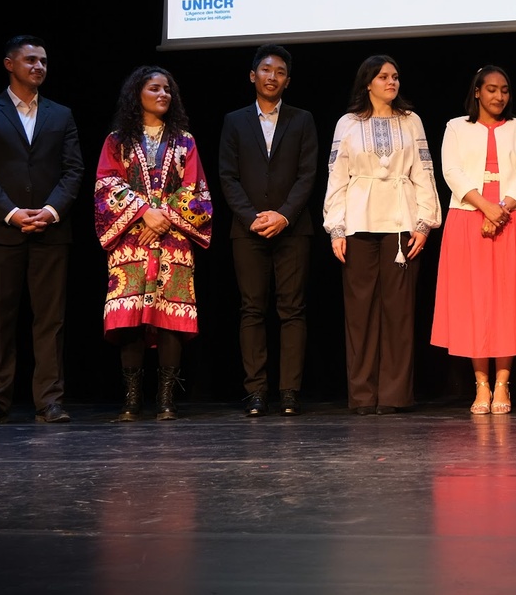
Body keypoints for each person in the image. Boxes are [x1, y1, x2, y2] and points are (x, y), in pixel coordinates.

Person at [0, 35, 85, 426]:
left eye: (44, 61)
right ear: (9, 64)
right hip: (2, 232)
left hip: (51, 232)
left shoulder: (61, 114)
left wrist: (50, 211)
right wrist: (12, 213)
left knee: (50, 320)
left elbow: (73, 170)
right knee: (0, 319)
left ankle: (49, 400)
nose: (39, 67)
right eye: (31, 60)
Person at [323, 56, 442, 414]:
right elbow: (336, 175)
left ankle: (393, 396)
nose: (392, 82)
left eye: (395, 77)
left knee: (399, 313)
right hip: (358, 222)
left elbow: (424, 170)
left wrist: (424, 222)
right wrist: (336, 227)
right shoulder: (348, 123)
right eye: (384, 77)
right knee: (359, 313)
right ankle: (362, 396)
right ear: (367, 83)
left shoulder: (411, 121)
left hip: (400, 222)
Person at [94, 66, 213, 421]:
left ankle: (166, 400)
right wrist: (144, 212)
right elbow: (106, 186)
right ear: (137, 94)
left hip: (174, 239)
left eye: (167, 89)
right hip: (131, 238)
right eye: (154, 88)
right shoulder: (117, 141)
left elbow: (197, 191)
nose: (163, 94)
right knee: (130, 316)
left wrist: (163, 218)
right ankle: (131, 400)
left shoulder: (185, 141)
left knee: (170, 316)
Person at [432, 66, 516, 414]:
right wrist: (486, 208)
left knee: (507, 304)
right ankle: (480, 384)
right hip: (468, 218)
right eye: (492, 90)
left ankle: (502, 383)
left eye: (505, 90)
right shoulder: (456, 127)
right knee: (475, 304)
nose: (499, 97)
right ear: (477, 93)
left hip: (513, 220)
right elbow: (451, 171)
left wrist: (502, 209)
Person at [218, 44, 318, 418]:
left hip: (292, 229)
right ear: (252, 76)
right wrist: (252, 217)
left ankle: (289, 391)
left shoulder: (302, 119)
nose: (272, 76)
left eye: (279, 72)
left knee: (292, 310)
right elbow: (227, 176)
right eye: (265, 70)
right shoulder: (234, 120)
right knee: (252, 310)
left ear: (287, 81)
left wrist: (283, 215)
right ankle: (256, 391)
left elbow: (308, 174)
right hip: (248, 230)